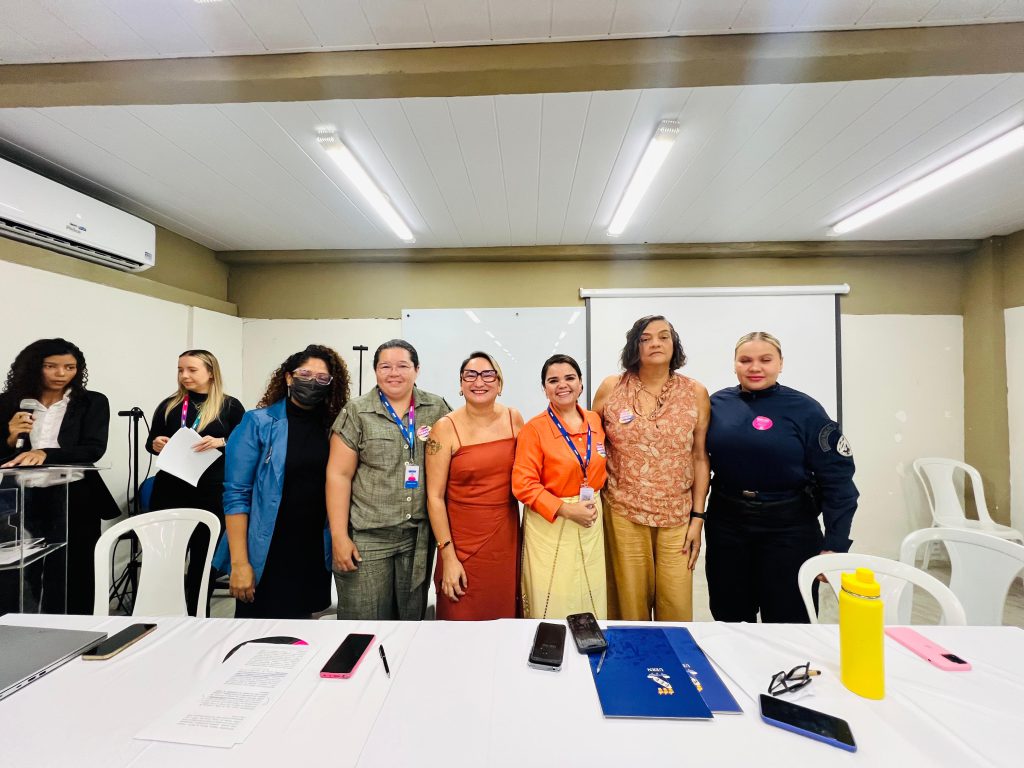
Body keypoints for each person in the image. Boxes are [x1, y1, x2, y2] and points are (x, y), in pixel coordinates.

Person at [705, 331, 858, 623]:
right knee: (729, 616)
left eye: (765, 360)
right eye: (745, 360)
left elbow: (838, 482)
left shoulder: (807, 410)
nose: (755, 367)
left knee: (789, 619)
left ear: (780, 363)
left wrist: (835, 544)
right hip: (727, 525)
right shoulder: (717, 404)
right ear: (734, 364)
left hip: (789, 528)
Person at [213, 344, 350, 619]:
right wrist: (240, 563)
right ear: (288, 377)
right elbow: (236, 495)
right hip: (267, 548)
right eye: (305, 374)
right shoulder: (257, 422)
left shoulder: (334, 427)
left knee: (302, 630)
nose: (313, 382)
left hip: (312, 547)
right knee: (260, 634)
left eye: (322, 378)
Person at [591, 315, 709, 622]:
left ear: (674, 344)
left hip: (677, 515)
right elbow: (590, 445)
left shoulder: (695, 392)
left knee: (676, 606)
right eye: (645, 338)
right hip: (623, 512)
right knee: (629, 608)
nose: (655, 343)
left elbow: (699, 457)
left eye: (663, 336)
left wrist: (698, 518)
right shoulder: (611, 388)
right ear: (634, 346)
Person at [327, 339, 451, 621]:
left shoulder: (437, 408)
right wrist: (339, 536)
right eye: (385, 366)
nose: (394, 373)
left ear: (417, 370)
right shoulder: (357, 411)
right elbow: (338, 476)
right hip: (368, 537)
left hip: (417, 538)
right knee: (365, 621)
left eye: (402, 366)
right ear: (375, 371)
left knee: (409, 621)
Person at [0, 338, 119, 614]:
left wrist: (45, 453)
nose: (61, 374)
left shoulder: (91, 402)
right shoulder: (9, 403)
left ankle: (78, 628)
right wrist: (10, 437)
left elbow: (93, 448)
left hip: (74, 496)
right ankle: (16, 629)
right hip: (22, 496)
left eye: (69, 367)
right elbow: (4, 453)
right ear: (34, 367)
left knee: (74, 570)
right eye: (51, 366)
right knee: (19, 571)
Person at [425, 351, 524, 620]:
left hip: (505, 543)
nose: (479, 381)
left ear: (499, 383)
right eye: (470, 375)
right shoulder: (444, 428)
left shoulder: (514, 419)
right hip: (461, 546)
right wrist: (448, 556)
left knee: (504, 623)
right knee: (460, 624)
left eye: (488, 374)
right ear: (461, 383)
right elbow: (434, 497)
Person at [146, 350, 244, 616]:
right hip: (170, 490)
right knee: (168, 559)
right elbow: (152, 441)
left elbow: (245, 444)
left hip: (210, 493)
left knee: (204, 559)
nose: (184, 375)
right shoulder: (170, 405)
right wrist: (156, 443)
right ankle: (168, 615)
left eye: (192, 370)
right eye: (180, 370)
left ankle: (198, 615)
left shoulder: (230, 406)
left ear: (211, 373)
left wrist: (222, 441)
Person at [512, 353, 608, 620]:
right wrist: (566, 510)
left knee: (590, 589)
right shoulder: (534, 429)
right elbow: (523, 484)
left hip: (590, 516)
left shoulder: (595, 421)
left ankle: (589, 640)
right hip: (551, 523)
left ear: (581, 384)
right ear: (545, 389)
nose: (562, 385)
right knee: (555, 593)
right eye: (553, 380)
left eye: (569, 378)